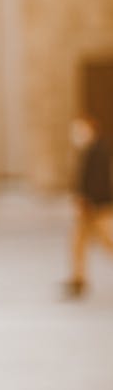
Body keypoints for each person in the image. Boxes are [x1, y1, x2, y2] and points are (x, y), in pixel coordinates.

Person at [64, 113, 113, 297]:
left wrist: (87, 200)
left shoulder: (99, 150)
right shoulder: (88, 150)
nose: (76, 134)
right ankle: (78, 279)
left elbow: (99, 181)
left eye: (80, 129)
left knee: (109, 243)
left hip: (98, 206)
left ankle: (78, 280)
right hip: (89, 206)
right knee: (77, 242)